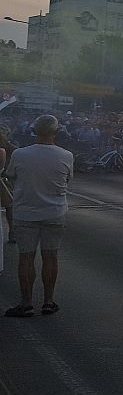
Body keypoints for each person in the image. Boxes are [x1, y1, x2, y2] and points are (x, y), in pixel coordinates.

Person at [4, 115, 73, 317]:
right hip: (55, 211)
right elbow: (68, 179)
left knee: (26, 257)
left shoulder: (20, 154)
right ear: (56, 132)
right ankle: (48, 301)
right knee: (50, 256)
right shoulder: (66, 155)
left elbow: (10, 174)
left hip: (26, 212)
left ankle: (26, 303)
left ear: (34, 131)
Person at [0, 125, 17, 243]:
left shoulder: (12, 149)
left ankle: (13, 232)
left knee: (10, 207)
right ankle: (13, 232)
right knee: (10, 207)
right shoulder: (13, 148)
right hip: (6, 180)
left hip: (6, 180)